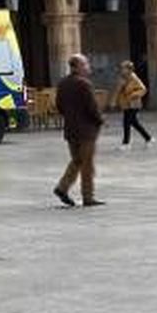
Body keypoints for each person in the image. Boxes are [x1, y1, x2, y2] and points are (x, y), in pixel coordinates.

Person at [52, 54, 103, 207]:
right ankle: (88, 197)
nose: (88, 67)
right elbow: (92, 107)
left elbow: (59, 106)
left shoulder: (62, 83)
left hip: (71, 129)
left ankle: (62, 187)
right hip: (86, 130)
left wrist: (70, 116)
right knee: (87, 164)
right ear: (77, 67)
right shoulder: (84, 84)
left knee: (77, 160)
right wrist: (100, 120)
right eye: (85, 64)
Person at [112, 59, 151, 146]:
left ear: (129, 69)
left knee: (128, 122)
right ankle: (148, 138)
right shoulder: (122, 79)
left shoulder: (134, 78)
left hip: (134, 104)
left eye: (123, 68)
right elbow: (117, 91)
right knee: (132, 122)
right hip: (126, 104)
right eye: (121, 68)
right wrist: (114, 101)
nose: (121, 70)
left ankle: (126, 143)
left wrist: (133, 94)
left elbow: (143, 89)